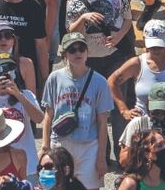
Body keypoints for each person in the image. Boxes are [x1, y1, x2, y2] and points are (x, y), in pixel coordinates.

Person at [40, 33, 112, 190]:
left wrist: (101, 157)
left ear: (88, 52)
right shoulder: (54, 78)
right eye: (72, 50)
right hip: (60, 142)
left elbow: (102, 123)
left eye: (81, 49)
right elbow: (48, 115)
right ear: (64, 55)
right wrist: (45, 146)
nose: (77, 53)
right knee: (57, 186)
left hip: (88, 145)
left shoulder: (100, 82)